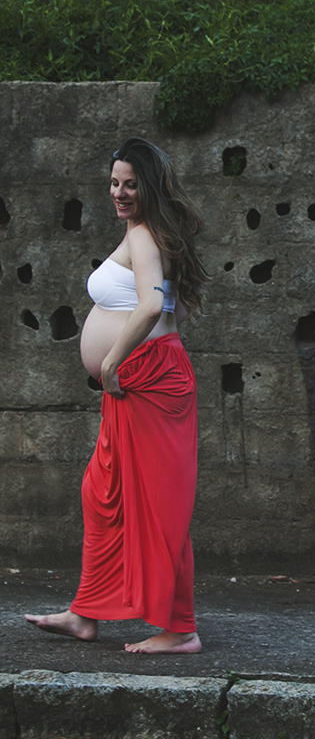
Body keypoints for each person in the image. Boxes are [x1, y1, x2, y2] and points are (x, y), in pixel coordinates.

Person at [24, 137, 209, 654]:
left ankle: (180, 630)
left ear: (148, 186)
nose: (120, 193)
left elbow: (150, 307)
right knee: (103, 493)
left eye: (130, 184)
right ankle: (87, 613)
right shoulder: (148, 233)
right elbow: (168, 309)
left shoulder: (147, 237)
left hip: (143, 381)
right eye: (114, 183)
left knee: (156, 506)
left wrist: (111, 361)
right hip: (144, 379)